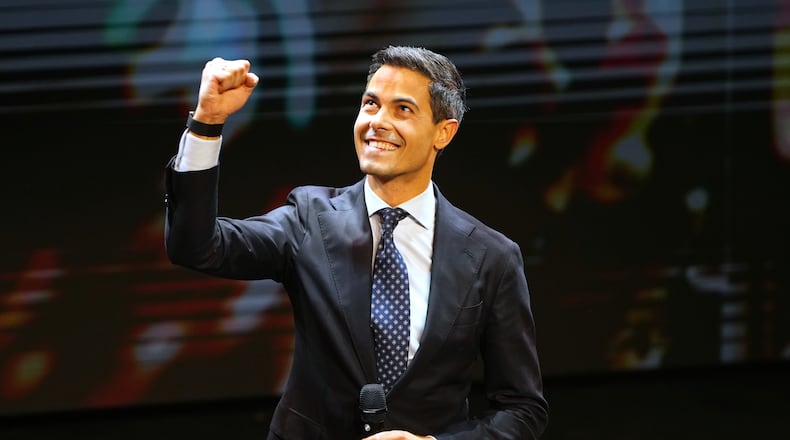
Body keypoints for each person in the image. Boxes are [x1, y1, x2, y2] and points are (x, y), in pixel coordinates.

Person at [164, 46, 548, 439]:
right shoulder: (310, 218)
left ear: (443, 132)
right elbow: (197, 246)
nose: (378, 122)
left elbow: (522, 409)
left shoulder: (491, 256)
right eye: (371, 104)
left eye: (402, 109)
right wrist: (207, 122)